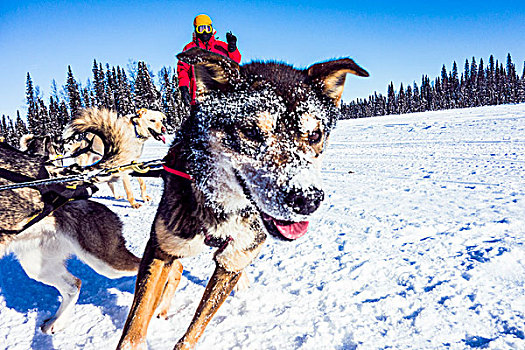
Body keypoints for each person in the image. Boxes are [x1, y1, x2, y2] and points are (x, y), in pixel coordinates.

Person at [177, 14, 241, 106]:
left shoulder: (220, 46)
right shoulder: (190, 48)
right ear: (196, 30)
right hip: (199, 95)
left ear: (211, 29)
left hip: (222, 95)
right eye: (201, 28)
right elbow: (183, 70)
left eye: (207, 28)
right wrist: (184, 88)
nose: (204, 32)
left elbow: (236, 61)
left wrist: (232, 48)